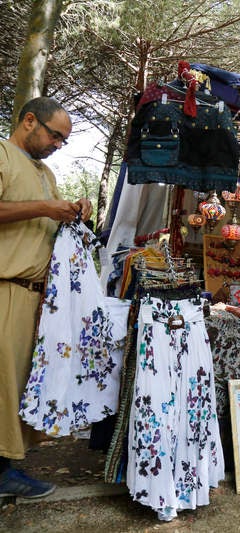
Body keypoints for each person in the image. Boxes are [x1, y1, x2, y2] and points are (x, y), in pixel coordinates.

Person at [0, 96, 93, 499]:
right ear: (29, 121)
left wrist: (74, 210)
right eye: (56, 135)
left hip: (35, 298)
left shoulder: (46, 173)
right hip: (5, 288)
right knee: (3, 386)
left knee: (16, 386)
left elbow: (45, 227)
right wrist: (45, 206)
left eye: (63, 141)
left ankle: (5, 470)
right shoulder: (3, 154)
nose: (58, 144)